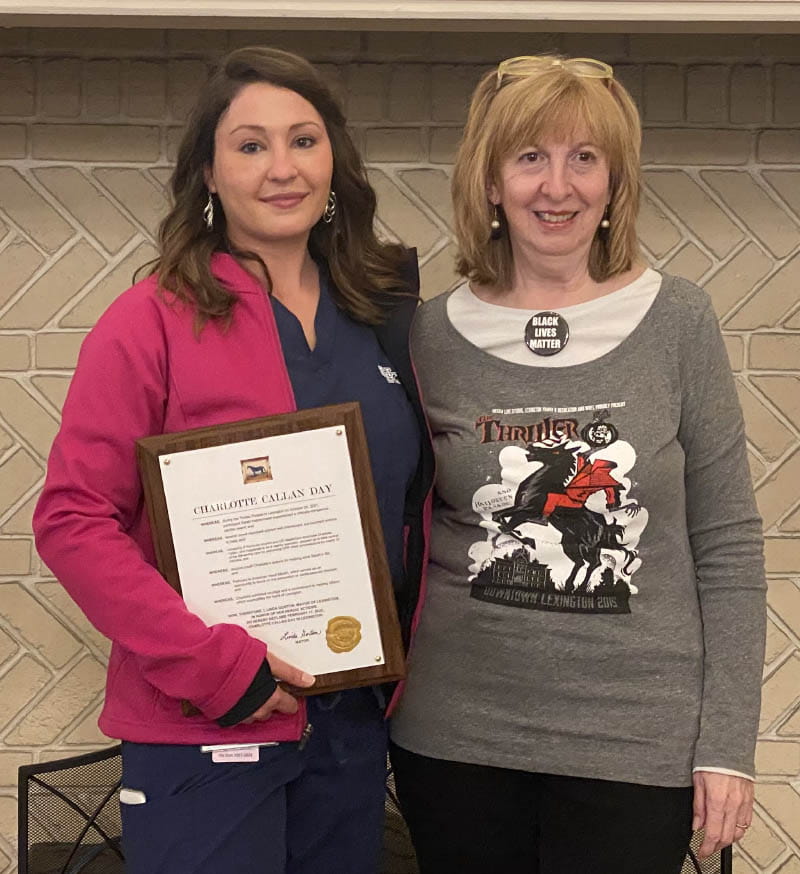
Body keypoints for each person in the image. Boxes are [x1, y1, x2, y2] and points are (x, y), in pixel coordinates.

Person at [33, 46, 433, 874]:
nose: (281, 168)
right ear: (208, 174)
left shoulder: (386, 318)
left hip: (353, 729)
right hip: (204, 731)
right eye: (250, 146)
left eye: (304, 140)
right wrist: (215, 668)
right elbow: (72, 521)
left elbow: (415, 509)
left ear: (336, 161)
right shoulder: (149, 320)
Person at [389, 55, 766, 874]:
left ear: (613, 181)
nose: (556, 186)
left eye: (583, 158)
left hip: (637, 739)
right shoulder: (427, 335)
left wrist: (728, 745)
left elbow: (730, 545)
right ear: (491, 182)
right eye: (530, 158)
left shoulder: (678, 320)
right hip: (457, 738)